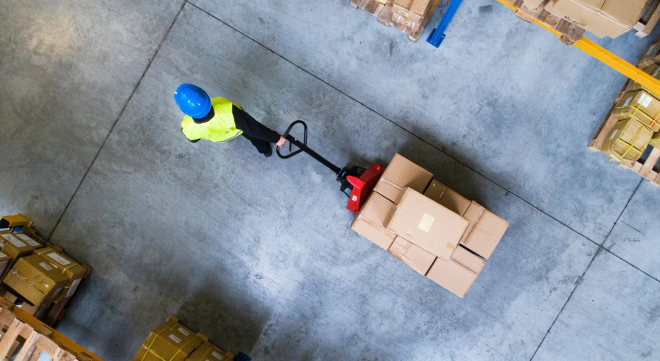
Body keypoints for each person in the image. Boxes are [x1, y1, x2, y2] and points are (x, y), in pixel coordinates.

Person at [174, 83, 286, 157]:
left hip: (223, 137)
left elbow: (193, 139)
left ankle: (265, 151)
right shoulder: (229, 112)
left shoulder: (187, 126)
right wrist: (276, 138)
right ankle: (265, 150)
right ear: (205, 97)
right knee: (254, 136)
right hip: (238, 129)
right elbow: (255, 129)